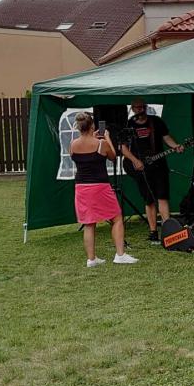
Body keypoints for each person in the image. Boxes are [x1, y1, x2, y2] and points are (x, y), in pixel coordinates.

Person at [70, 112, 137, 267]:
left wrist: (91, 137)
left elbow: (76, 157)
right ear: (92, 126)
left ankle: (91, 259)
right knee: (117, 218)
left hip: (81, 187)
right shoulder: (101, 144)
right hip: (99, 186)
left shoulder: (73, 144)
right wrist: (107, 138)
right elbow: (113, 156)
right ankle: (120, 255)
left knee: (89, 223)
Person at [119, 98, 185, 242]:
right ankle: (153, 231)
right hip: (142, 167)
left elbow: (166, 137)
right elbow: (123, 148)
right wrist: (135, 160)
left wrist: (175, 146)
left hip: (159, 165)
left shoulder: (156, 121)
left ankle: (168, 230)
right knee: (149, 199)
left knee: (162, 196)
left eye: (142, 107)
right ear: (132, 109)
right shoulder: (129, 125)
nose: (140, 110)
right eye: (137, 107)